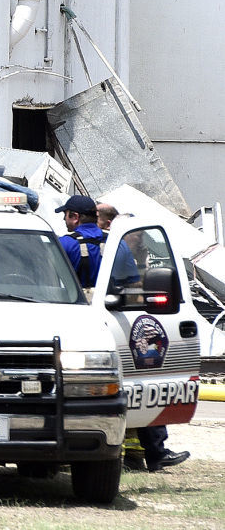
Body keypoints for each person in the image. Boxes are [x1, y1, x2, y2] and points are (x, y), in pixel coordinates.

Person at [95, 201, 189, 473]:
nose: (141, 242)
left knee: (142, 389)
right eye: (138, 236)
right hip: (115, 330)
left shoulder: (82, 244)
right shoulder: (117, 248)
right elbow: (126, 286)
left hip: (115, 330)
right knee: (141, 387)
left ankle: (139, 456)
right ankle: (149, 454)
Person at [57, 194, 107, 287]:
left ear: (75, 217)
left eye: (65, 214)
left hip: (77, 300)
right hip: (110, 300)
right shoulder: (117, 243)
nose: (64, 219)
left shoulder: (64, 244)